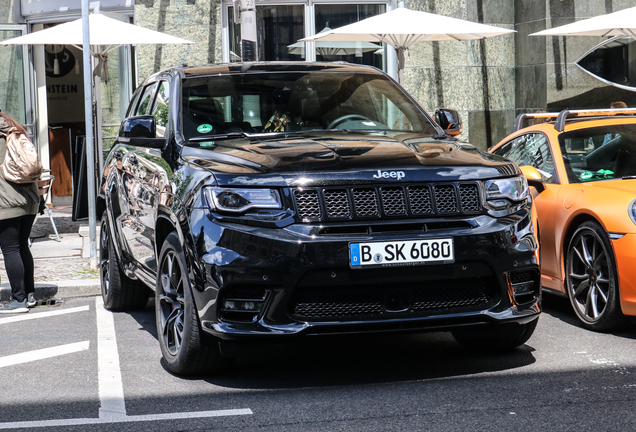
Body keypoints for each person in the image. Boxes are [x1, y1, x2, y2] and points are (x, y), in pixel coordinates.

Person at [0, 110, 40, 313]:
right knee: (22, 246)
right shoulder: (14, 128)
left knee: (10, 249)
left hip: (6, 201)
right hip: (30, 198)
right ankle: (30, 295)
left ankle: (18, 300)